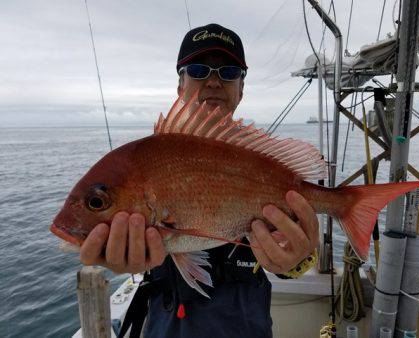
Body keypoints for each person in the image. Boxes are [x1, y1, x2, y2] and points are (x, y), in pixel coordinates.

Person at [80, 23, 319, 338]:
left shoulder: (265, 165)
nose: (214, 82)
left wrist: (299, 260)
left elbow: (294, 263)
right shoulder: (146, 162)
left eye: (229, 72)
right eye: (198, 70)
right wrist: (120, 257)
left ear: (241, 89)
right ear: (181, 85)